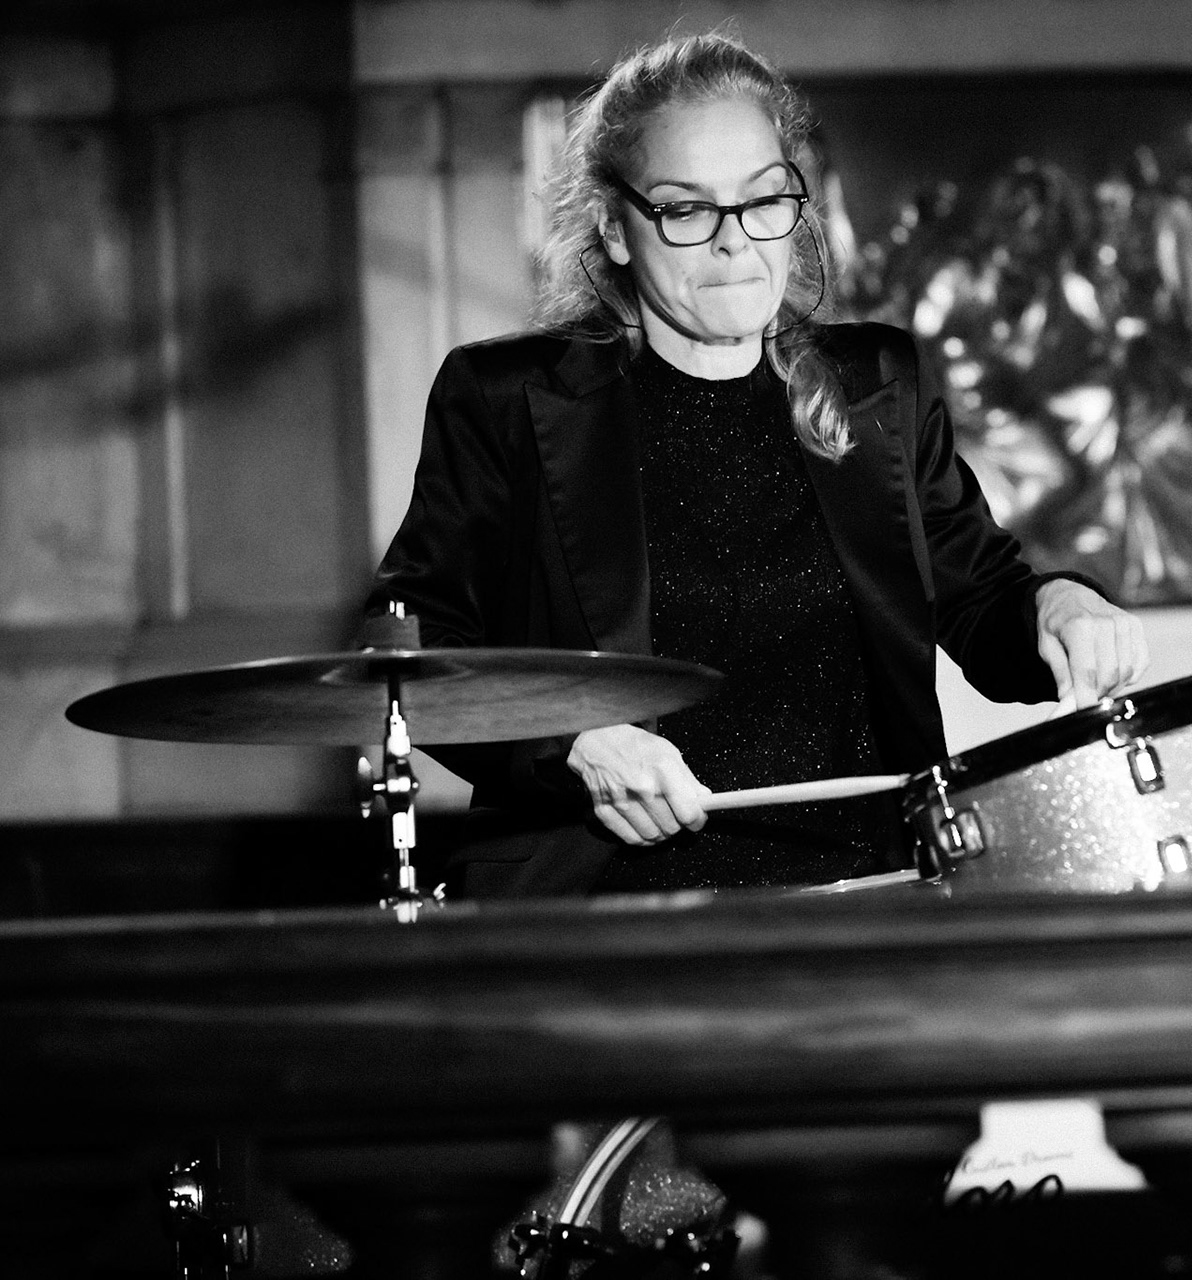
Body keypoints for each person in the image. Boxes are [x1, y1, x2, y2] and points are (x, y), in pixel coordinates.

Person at [371, 32, 1148, 897]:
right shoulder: (506, 399)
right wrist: (571, 744)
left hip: (868, 888)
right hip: (609, 903)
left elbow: (984, 602)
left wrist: (1057, 605)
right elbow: (411, 646)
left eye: (763, 199)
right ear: (615, 228)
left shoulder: (875, 384)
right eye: (685, 210)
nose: (734, 243)